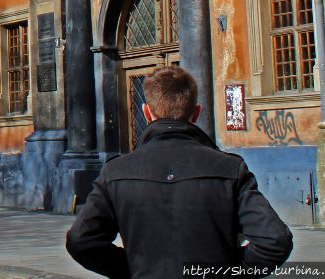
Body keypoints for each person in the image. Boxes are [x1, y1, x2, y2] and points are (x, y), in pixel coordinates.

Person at [67, 66, 292, 278]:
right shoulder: (229, 168)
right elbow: (275, 241)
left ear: (146, 113)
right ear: (196, 113)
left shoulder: (115, 172)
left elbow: (81, 240)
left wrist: (132, 269)